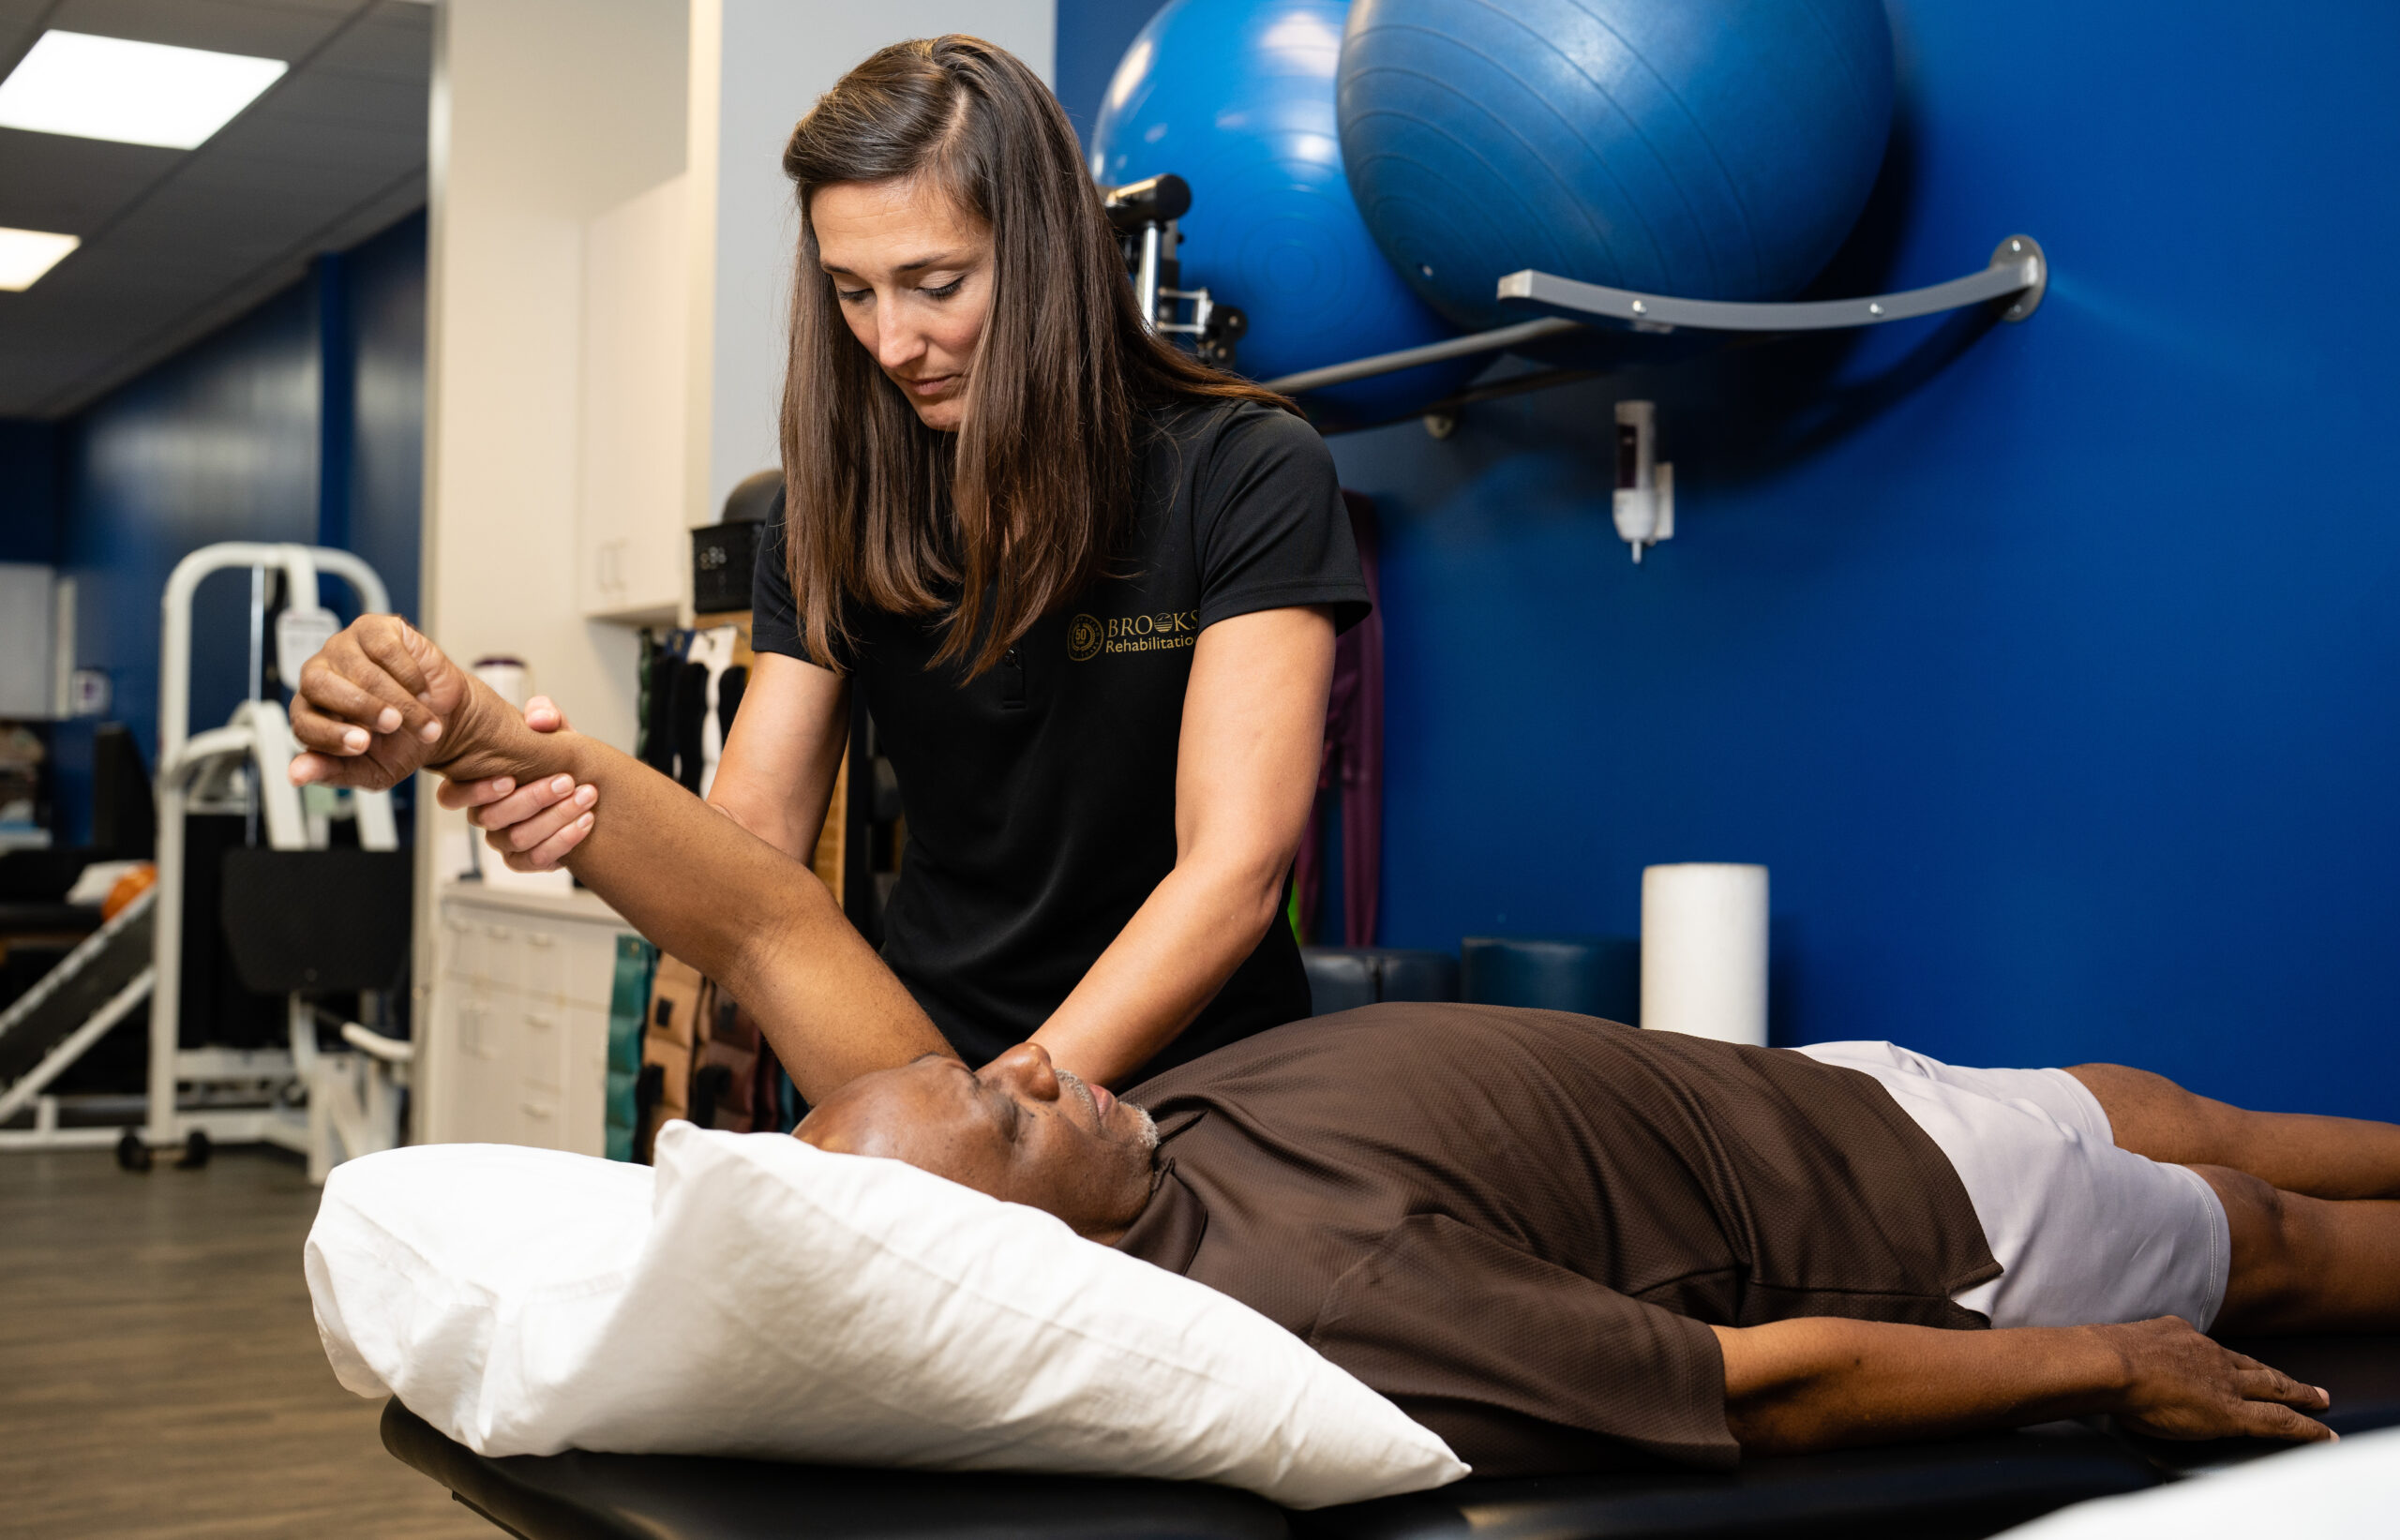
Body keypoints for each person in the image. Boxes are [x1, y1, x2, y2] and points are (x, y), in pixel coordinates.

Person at [292, 623, 2397, 1474]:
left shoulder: (1023, 1147)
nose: (1046, 1067)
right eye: (1012, 1115)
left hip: (1813, 1089)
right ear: (1026, 1251)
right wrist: (2099, 1360)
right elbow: (1752, 1381)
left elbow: (761, 913)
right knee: (2269, 1236)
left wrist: (479, 735)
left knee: (2178, 1102)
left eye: (995, 1071)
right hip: (1918, 1224)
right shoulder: (1319, 1296)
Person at [433, 35, 1369, 1087]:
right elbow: (751, 848)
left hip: (1189, 1080)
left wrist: (1010, 1108)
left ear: (1047, 254)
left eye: (935, 284)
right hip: (917, 1058)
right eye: (853, 292)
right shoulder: (830, 512)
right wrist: (579, 813)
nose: (890, 343)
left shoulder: (1244, 472)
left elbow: (1231, 870)